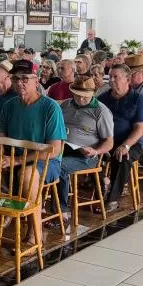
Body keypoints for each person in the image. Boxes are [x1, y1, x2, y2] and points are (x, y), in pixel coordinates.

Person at [0, 60, 65, 248]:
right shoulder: (10, 105)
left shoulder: (50, 107)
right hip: (14, 158)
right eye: (16, 78)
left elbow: (54, 149)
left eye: (25, 78)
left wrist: (17, 160)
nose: (20, 82)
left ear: (36, 81)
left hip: (43, 161)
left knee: (26, 175)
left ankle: (34, 234)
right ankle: (9, 199)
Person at [56, 77, 114, 227]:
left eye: (85, 96)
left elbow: (109, 142)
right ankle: (40, 205)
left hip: (87, 155)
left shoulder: (100, 111)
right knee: (45, 162)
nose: (81, 99)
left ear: (93, 93)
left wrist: (96, 151)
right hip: (64, 148)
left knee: (59, 165)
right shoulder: (67, 105)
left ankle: (61, 209)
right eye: (77, 94)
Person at [97, 64, 143, 212]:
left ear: (128, 79)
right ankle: (103, 181)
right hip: (106, 140)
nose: (111, 80)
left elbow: (139, 128)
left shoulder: (138, 99)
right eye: (110, 77)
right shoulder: (102, 99)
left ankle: (112, 199)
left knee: (122, 157)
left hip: (131, 143)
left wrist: (125, 145)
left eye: (116, 77)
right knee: (85, 153)